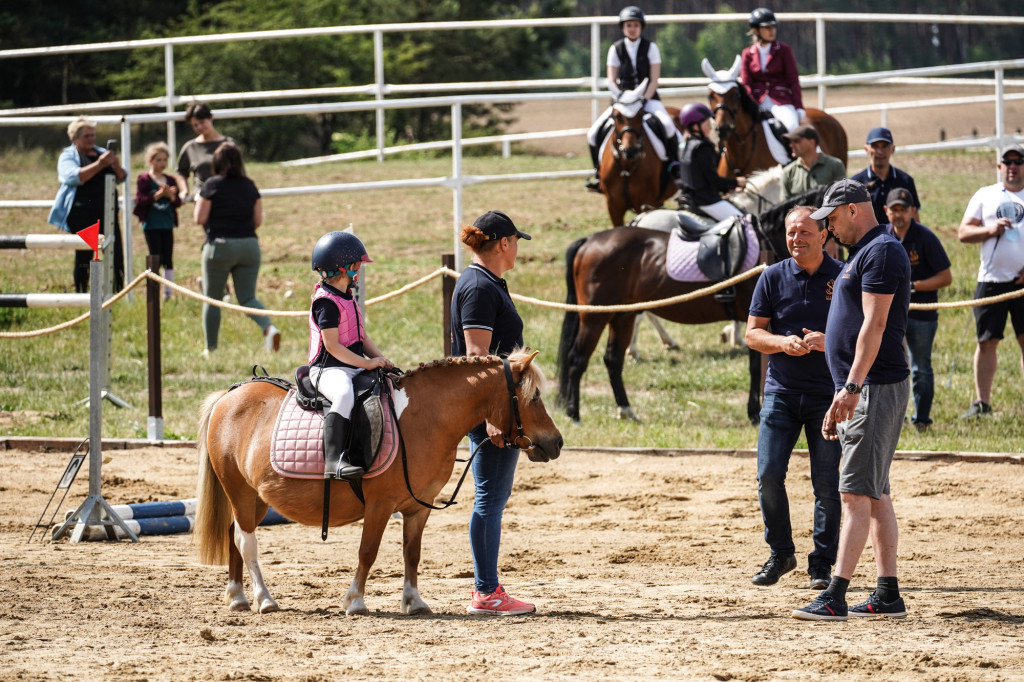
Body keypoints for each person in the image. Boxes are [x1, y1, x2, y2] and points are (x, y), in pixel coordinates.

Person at [793, 179, 911, 621]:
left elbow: (876, 326)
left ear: (852, 210)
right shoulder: (869, 251)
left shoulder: (880, 252)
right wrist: (834, 344)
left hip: (873, 387)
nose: (828, 230)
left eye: (831, 219)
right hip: (868, 385)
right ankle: (887, 594)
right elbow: (859, 323)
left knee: (855, 495)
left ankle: (834, 595)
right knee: (875, 493)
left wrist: (851, 386)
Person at [746, 206, 843, 591]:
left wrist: (827, 342)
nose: (796, 239)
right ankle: (781, 553)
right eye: (791, 232)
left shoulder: (844, 277)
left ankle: (821, 564)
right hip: (781, 395)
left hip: (828, 396)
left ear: (824, 236)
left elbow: (865, 332)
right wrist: (782, 343)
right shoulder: (771, 277)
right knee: (769, 476)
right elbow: (753, 334)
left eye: (804, 232)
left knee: (826, 484)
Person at [451, 210, 536, 616]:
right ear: (503, 243)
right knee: (490, 498)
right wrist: (491, 414)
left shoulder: (486, 283)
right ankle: (486, 592)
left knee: (493, 497)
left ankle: (488, 589)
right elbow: (476, 357)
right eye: (516, 241)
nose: (518, 248)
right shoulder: (479, 287)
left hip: (500, 406)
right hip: (494, 409)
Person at [307, 231, 393, 480]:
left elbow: (361, 338)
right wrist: (367, 363)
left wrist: (383, 360)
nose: (361, 270)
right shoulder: (326, 303)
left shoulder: (348, 297)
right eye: (359, 265)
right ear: (347, 267)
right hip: (328, 369)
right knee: (344, 394)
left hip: (351, 364)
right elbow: (332, 346)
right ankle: (333, 461)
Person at [956, 144, 1024, 418]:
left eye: (1018, 161)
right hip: (991, 280)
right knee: (986, 342)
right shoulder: (985, 195)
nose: (1012, 165)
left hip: (1023, 283)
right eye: (1007, 161)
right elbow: (963, 232)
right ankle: (982, 404)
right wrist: (989, 229)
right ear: (999, 167)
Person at [193, 141, 280, 355]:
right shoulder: (250, 186)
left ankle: (210, 349)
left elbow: (199, 218)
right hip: (250, 246)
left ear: (216, 162)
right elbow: (257, 220)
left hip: (219, 247)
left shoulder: (211, 184)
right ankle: (269, 328)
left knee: (212, 299)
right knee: (248, 297)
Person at [585, 6, 683, 192]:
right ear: (623, 27)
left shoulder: (651, 47)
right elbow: (611, 80)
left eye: (636, 25)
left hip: (648, 99)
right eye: (629, 25)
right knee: (593, 133)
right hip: (622, 101)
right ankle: (598, 174)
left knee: (670, 127)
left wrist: (644, 99)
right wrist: (622, 99)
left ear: (641, 27)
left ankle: (674, 168)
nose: (632, 28)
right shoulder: (615, 49)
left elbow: (654, 79)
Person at [885, 188, 952, 431]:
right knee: (891, 366)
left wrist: (912, 286)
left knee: (920, 367)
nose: (899, 215)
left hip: (922, 313)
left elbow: (946, 277)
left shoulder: (925, 237)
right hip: (890, 315)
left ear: (913, 211)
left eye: (904, 209)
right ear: (886, 211)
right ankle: (893, 418)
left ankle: (922, 420)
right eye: (894, 210)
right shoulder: (882, 237)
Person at [47, 116, 126, 293]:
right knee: (85, 257)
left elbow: (122, 177)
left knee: (116, 255)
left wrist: (116, 164)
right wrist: (100, 165)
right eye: (86, 136)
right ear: (74, 138)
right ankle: (81, 294)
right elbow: (74, 177)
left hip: (107, 212)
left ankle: (117, 293)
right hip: (82, 214)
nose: (91, 139)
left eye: (93, 135)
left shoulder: (101, 153)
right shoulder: (68, 156)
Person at [676, 102, 747, 221]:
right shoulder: (702, 147)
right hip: (705, 200)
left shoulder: (683, 145)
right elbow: (713, 181)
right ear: (695, 127)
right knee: (744, 222)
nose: (710, 127)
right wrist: (736, 182)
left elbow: (699, 177)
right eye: (707, 123)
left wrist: (728, 189)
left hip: (688, 197)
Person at [740, 8, 804, 133]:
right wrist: (752, 104)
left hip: (781, 101)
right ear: (756, 30)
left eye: (773, 27)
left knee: (792, 128)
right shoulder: (747, 53)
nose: (772, 31)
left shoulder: (784, 50)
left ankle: (794, 153)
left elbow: (793, 81)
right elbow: (746, 83)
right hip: (758, 102)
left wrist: (798, 107)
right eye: (767, 28)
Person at [134, 142, 182, 300]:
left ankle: (168, 293)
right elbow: (141, 200)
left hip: (167, 224)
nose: (162, 163)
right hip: (151, 224)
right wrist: (158, 195)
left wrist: (171, 196)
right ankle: (153, 292)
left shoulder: (170, 180)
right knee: (155, 257)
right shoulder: (144, 179)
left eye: (164, 160)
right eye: (158, 160)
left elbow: (177, 203)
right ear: (150, 161)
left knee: (168, 258)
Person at [851, 127, 921, 225]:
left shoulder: (906, 181)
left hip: (898, 239)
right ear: (866, 149)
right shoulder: (855, 184)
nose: (880, 151)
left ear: (893, 149)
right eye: (875, 146)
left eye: (885, 146)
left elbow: (914, 218)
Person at [176, 101, 232, 202]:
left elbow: (239, 170)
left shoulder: (229, 143)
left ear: (211, 118)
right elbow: (181, 171)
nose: (199, 127)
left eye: (202, 122)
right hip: (203, 198)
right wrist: (185, 190)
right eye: (195, 125)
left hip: (227, 195)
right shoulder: (190, 147)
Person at [780, 124, 846, 200]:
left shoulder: (835, 165)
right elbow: (784, 205)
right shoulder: (788, 172)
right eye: (791, 142)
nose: (791, 145)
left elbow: (841, 198)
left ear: (811, 142)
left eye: (796, 141)